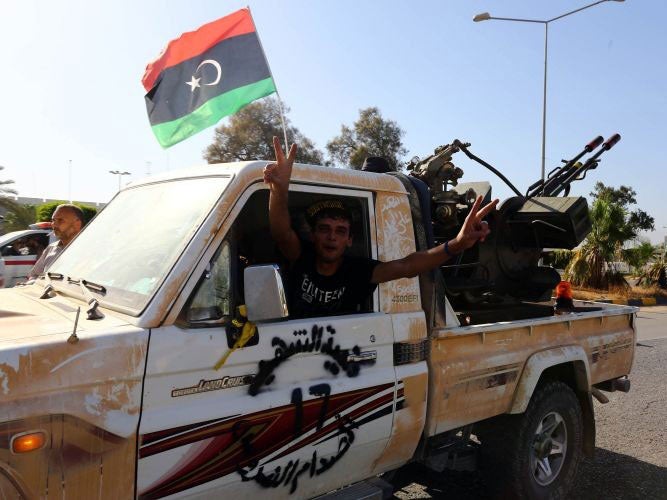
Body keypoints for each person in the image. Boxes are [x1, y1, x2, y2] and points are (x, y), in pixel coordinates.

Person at [263, 137, 499, 318]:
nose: (331, 237)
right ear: (314, 235)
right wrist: (279, 190)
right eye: (324, 229)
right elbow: (281, 232)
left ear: (349, 240)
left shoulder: (357, 272)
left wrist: (457, 244)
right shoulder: (302, 258)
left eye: (340, 231)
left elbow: (408, 265)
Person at [28, 204, 84, 279]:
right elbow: (34, 275)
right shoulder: (50, 249)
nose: (54, 224)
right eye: (53, 220)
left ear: (77, 224)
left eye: (60, 220)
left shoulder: (89, 251)